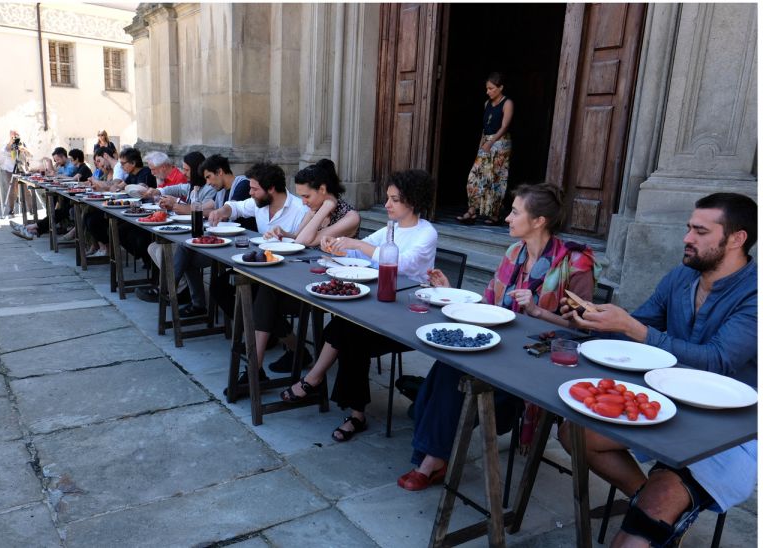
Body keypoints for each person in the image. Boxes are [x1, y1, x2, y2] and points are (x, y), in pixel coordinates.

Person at [558, 192, 757, 548]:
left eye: (699, 231)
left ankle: (655, 510)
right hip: (666, 404)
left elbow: (719, 360)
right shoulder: (682, 276)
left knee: (636, 534)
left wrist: (634, 329)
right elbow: (642, 321)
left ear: (737, 238)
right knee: (574, 433)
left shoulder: (755, 293)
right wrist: (595, 318)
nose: (686, 238)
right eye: (688, 229)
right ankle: (645, 499)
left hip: (727, 432)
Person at [397, 183, 598, 490]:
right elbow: (488, 307)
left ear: (538, 221)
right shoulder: (514, 252)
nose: (507, 218)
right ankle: (433, 455)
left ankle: (431, 458)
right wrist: (449, 290)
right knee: (447, 365)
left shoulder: (576, 262)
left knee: (452, 377)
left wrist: (538, 312)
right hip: (501, 348)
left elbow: (583, 331)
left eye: (515, 212)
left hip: (537, 362)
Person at [279, 170, 438, 443]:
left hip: (408, 315)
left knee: (348, 331)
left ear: (412, 201)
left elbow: (403, 263)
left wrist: (356, 245)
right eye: (387, 198)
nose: (386, 204)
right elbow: (360, 250)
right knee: (349, 328)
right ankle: (351, 411)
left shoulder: (427, 233)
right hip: (380, 305)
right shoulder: (391, 228)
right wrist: (337, 247)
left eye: (393, 199)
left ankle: (323, 387)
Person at [248, 159, 361, 377]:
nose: (303, 202)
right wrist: (284, 233)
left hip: (335, 286)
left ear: (323, 189)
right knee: (260, 291)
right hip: (309, 275)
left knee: (265, 295)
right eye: (300, 196)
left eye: (306, 196)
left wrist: (326, 207)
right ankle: (260, 366)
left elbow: (307, 241)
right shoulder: (315, 207)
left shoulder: (349, 216)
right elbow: (299, 238)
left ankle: (258, 367)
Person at [174, 161, 307, 318]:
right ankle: (249, 329)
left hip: (284, 271)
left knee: (257, 295)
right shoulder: (260, 202)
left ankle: (263, 332)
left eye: (254, 189)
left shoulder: (300, 210)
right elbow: (236, 207)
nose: (250, 192)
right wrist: (221, 211)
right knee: (218, 286)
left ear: (271, 189)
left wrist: (287, 237)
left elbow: (304, 245)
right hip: (258, 264)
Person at [136, 151, 217, 303]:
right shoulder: (192, 186)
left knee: (172, 251)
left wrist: (177, 203)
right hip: (189, 234)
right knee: (154, 247)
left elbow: (203, 210)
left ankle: (168, 289)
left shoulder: (210, 189)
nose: (183, 172)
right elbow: (176, 189)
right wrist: (159, 191)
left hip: (202, 238)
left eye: (186, 170)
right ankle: (179, 289)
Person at [456, 72, 513, 225]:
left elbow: (505, 126)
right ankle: (472, 212)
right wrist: (483, 144)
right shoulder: (487, 104)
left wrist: (492, 142)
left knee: (494, 178)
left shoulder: (507, 103)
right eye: (487, 88)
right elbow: (485, 126)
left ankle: (494, 215)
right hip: (486, 141)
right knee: (474, 177)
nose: (487, 91)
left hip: (500, 144)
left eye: (491, 88)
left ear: (500, 88)